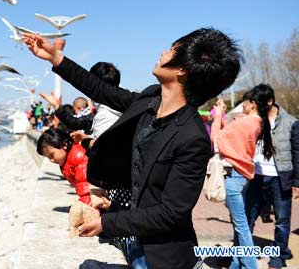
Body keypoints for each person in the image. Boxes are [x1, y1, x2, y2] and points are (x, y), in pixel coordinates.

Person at [23, 27, 241, 269]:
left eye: (173, 49)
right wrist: (56, 58)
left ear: (182, 69)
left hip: (162, 257)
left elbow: (169, 213)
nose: (163, 52)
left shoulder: (192, 138)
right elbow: (103, 91)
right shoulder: (151, 100)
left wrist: (107, 223)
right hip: (133, 241)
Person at [211, 89, 273, 269]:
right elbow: (229, 138)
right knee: (240, 224)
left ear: (253, 103)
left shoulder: (246, 122)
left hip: (233, 177)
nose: (243, 105)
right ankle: (236, 264)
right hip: (242, 175)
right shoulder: (256, 122)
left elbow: (215, 139)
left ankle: (249, 265)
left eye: (246, 102)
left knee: (241, 227)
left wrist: (219, 115)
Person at [244, 84, 299, 269]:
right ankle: (241, 254)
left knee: (282, 220)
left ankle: (278, 256)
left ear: (270, 101)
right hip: (255, 176)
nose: (255, 106)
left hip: (280, 177)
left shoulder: (291, 122)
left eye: (259, 103)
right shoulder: (254, 120)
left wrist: (297, 181)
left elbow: (297, 153)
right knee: (247, 216)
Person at [36, 127, 95, 205]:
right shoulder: (65, 161)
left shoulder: (77, 157)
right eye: (48, 158)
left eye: (52, 155)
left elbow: (85, 185)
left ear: (64, 145)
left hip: (97, 195)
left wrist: (85, 204)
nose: (51, 160)